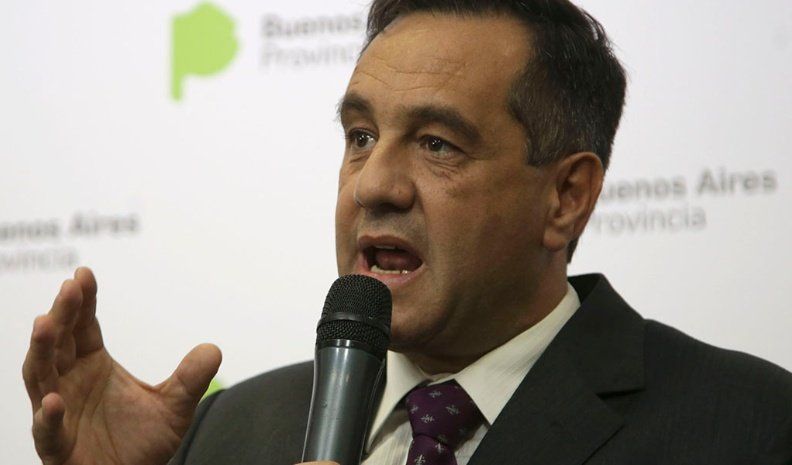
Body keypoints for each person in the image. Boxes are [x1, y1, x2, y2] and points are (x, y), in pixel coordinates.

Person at [23, 1, 792, 464]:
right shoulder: (236, 432)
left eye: (436, 143)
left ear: (566, 196)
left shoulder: (745, 424)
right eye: (360, 136)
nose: (373, 185)